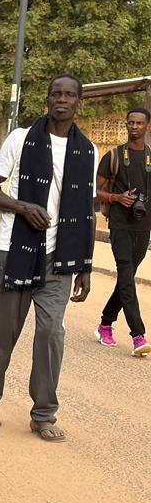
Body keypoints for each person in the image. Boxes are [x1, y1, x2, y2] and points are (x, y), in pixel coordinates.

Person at [0, 75, 96, 442]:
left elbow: (86, 210)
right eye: (56, 94)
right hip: (16, 250)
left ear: (79, 102)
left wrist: (85, 266)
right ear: (47, 99)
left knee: (51, 334)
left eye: (69, 95)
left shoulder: (86, 150)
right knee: (1, 331)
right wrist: (24, 207)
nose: (62, 100)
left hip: (60, 257)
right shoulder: (21, 138)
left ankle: (43, 414)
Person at [95, 108, 151, 356]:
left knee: (125, 280)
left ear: (148, 127)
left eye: (140, 123)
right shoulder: (114, 156)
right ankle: (139, 336)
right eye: (131, 122)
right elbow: (94, 191)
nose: (135, 126)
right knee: (127, 278)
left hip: (143, 227)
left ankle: (105, 323)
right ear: (126, 125)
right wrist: (116, 197)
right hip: (119, 226)